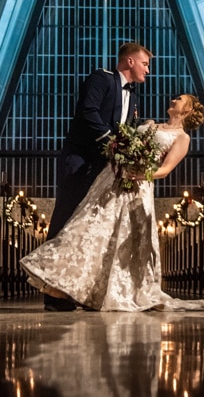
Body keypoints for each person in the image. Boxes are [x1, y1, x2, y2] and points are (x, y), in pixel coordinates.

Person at [21, 93, 204, 313]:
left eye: (179, 99)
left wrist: (141, 174)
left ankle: (102, 291)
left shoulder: (182, 138)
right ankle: (71, 286)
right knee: (89, 228)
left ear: (187, 109)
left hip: (138, 186)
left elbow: (165, 169)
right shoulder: (150, 124)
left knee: (116, 235)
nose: (173, 100)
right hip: (112, 179)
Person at [42, 41, 153, 310]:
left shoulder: (134, 98)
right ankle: (53, 294)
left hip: (105, 167)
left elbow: (125, 131)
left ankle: (82, 289)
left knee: (90, 227)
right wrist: (111, 142)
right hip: (79, 159)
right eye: (145, 64)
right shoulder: (101, 78)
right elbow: (88, 111)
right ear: (130, 62)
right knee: (67, 218)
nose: (148, 71)